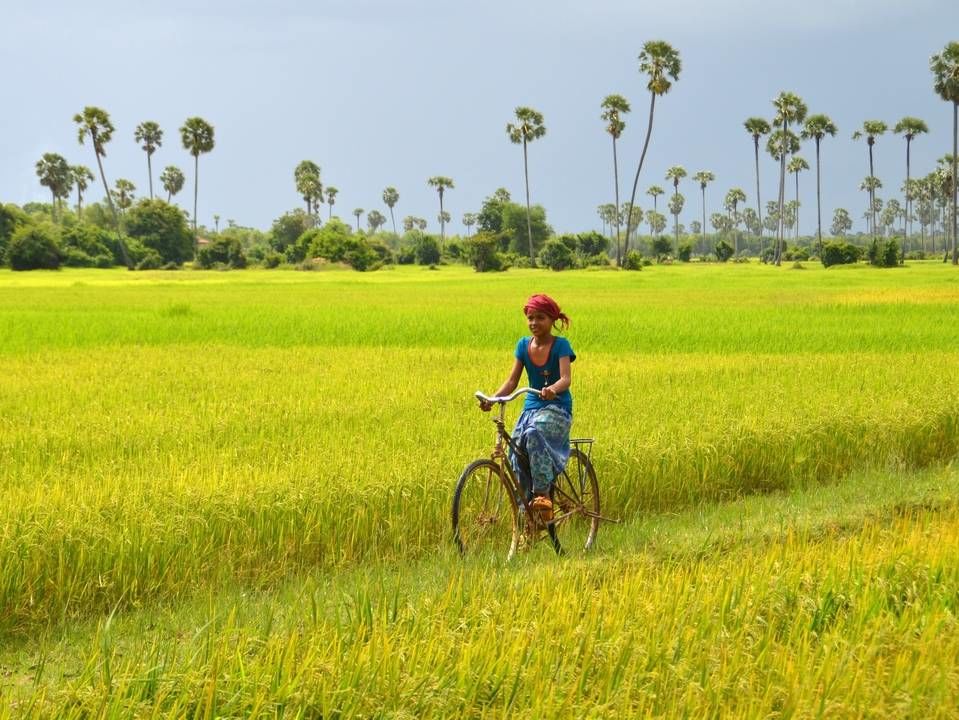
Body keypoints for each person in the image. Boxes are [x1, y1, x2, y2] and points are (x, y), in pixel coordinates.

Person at [480, 293, 575, 520]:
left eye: (540, 318)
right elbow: (512, 381)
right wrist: (493, 398)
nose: (534, 323)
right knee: (516, 451)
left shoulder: (561, 345)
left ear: (552, 320)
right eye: (530, 318)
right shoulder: (523, 345)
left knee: (533, 434)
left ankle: (542, 494)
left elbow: (566, 379)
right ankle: (527, 521)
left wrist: (553, 388)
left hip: (557, 409)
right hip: (531, 409)